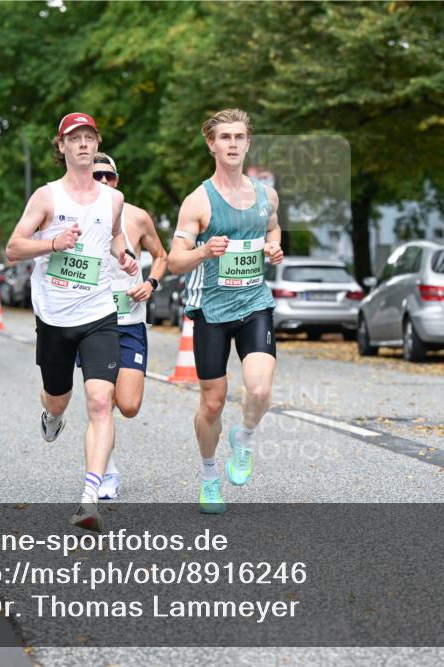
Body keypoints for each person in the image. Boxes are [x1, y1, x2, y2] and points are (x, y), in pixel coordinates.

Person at [5, 112, 137, 532]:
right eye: (73, 138)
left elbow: (114, 233)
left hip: (99, 313)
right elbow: (13, 248)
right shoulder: (47, 197)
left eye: (88, 137)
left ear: (96, 144)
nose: (82, 144)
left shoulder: (112, 199)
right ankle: (51, 414)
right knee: (57, 397)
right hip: (55, 317)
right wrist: (52, 243)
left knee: (101, 402)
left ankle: (89, 499)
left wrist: (122, 253)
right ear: (60, 147)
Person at [167, 108, 284, 514]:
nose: (233, 144)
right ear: (211, 144)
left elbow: (272, 227)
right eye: (225, 138)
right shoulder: (198, 201)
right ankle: (209, 475)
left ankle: (245, 439)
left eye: (239, 137)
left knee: (260, 389)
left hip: (254, 304)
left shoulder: (265, 195)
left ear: (248, 142)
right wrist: (203, 250)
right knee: (213, 403)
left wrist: (273, 246)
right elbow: (174, 260)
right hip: (211, 310)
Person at [89, 152, 168, 500]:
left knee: (129, 405)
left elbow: (162, 256)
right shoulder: (75, 216)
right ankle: (106, 471)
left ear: (117, 180)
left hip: (131, 322)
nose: (104, 182)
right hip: (92, 323)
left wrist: (151, 284)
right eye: (96, 176)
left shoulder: (136, 217)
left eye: (109, 176)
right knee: (100, 401)